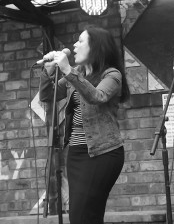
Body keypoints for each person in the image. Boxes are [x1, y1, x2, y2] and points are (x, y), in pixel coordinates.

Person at [39, 26, 130, 224]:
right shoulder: (77, 74)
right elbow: (47, 95)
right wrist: (48, 72)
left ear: (96, 47)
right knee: (84, 216)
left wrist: (67, 70)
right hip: (77, 153)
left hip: (103, 153)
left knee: (82, 216)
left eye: (81, 41)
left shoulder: (112, 75)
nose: (74, 45)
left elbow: (97, 96)